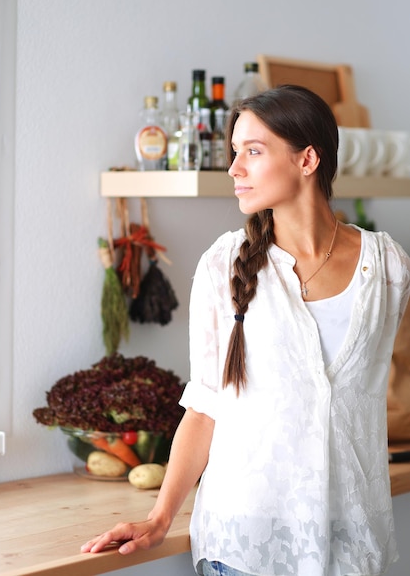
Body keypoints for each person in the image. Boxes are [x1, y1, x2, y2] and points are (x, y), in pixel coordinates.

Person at [81, 85, 410, 576]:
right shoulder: (224, 265)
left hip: (352, 544)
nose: (234, 168)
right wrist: (159, 517)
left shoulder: (388, 268)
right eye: (235, 152)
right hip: (244, 548)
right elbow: (205, 406)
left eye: (252, 152)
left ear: (308, 160)